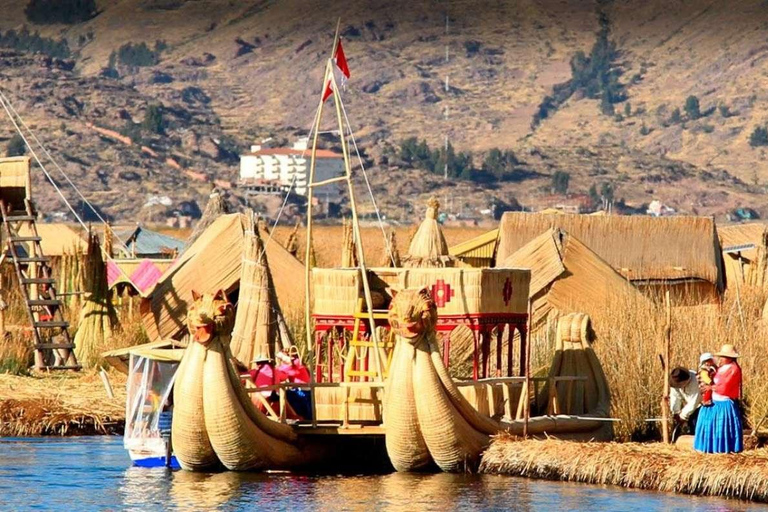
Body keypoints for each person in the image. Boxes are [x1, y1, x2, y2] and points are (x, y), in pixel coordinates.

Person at [694, 344, 743, 454]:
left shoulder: (733, 369)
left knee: (721, 428)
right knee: (708, 423)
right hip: (714, 400)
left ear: (730, 358)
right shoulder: (722, 367)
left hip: (724, 403)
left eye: (723, 356)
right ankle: (707, 448)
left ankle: (722, 449)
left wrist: (710, 387)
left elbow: (725, 386)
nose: (720, 358)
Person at [276, 349, 312, 420]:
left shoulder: (297, 363)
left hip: (301, 391)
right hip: (302, 390)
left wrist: (281, 356)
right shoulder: (296, 364)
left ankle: (293, 417)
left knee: (282, 396)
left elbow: (282, 371)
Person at [669, 366, 701, 436]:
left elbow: (694, 401)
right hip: (692, 408)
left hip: (702, 406)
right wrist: (676, 412)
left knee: (696, 424)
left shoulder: (695, 380)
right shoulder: (675, 381)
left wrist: (683, 416)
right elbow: (675, 396)